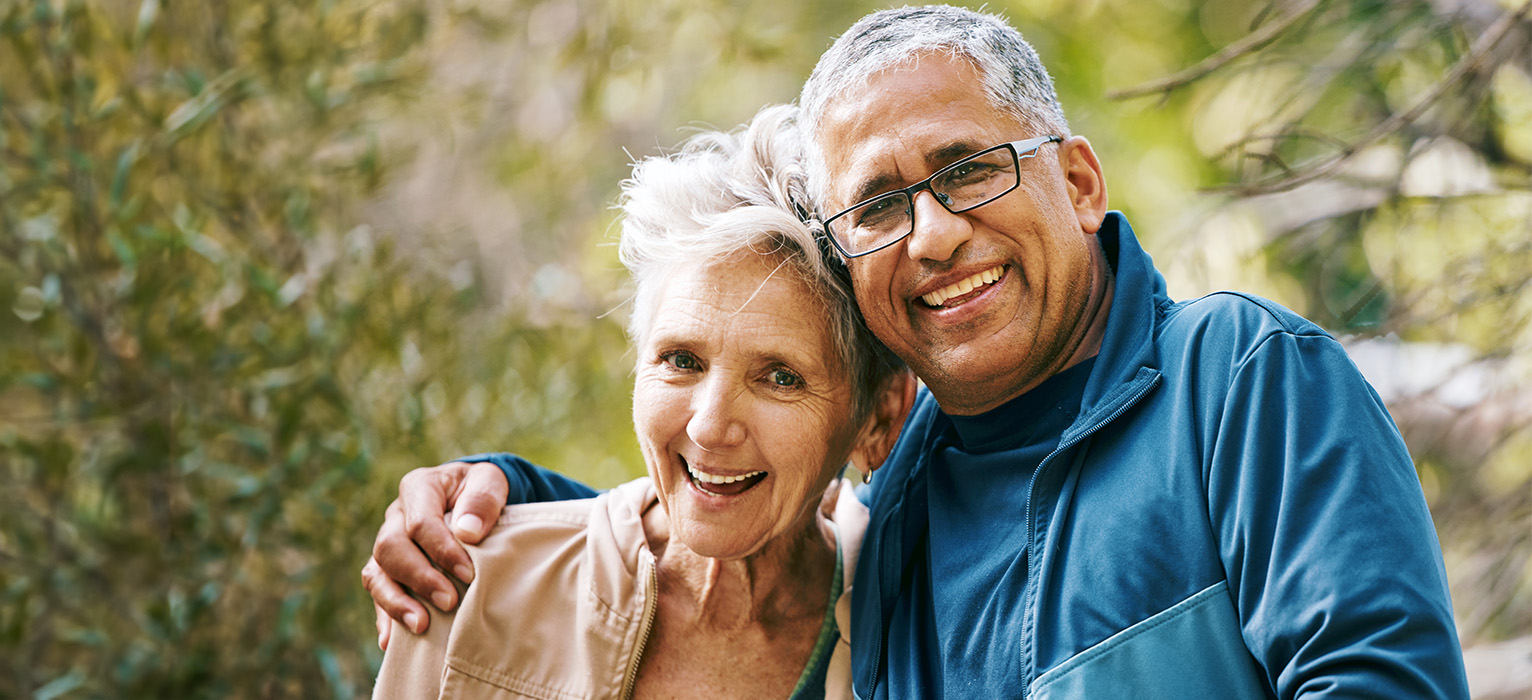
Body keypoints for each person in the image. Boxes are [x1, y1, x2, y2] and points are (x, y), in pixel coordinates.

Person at [365, 6, 1470, 699]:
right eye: (881, 203)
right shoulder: (898, 495)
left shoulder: (1235, 381)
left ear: (1078, 181)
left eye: (968, 168)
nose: (933, 233)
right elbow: (738, 502)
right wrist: (498, 498)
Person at [371, 104, 913, 699]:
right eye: (682, 361)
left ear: (878, 419)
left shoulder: (918, 628)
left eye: (780, 377)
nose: (709, 428)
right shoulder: (468, 589)